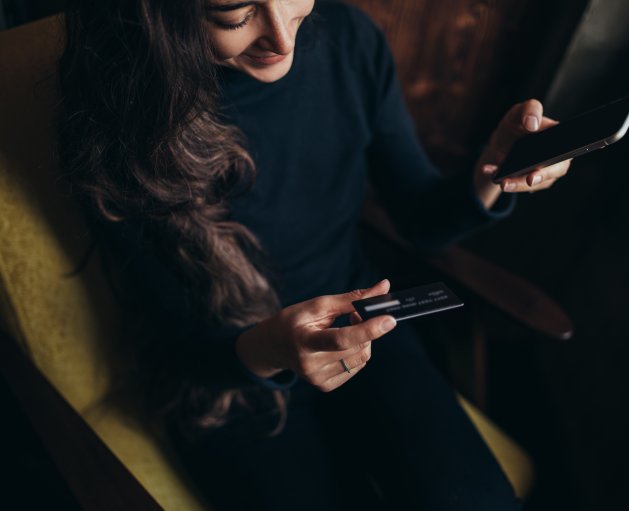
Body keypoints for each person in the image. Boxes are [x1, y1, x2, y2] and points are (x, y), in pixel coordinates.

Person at [57, 0, 570, 509]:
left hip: (362, 323)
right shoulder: (114, 118)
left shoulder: (348, 40)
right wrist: (273, 349)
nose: (282, 40)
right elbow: (175, 345)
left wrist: (494, 173)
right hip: (230, 384)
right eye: (235, 16)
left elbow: (422, 221)